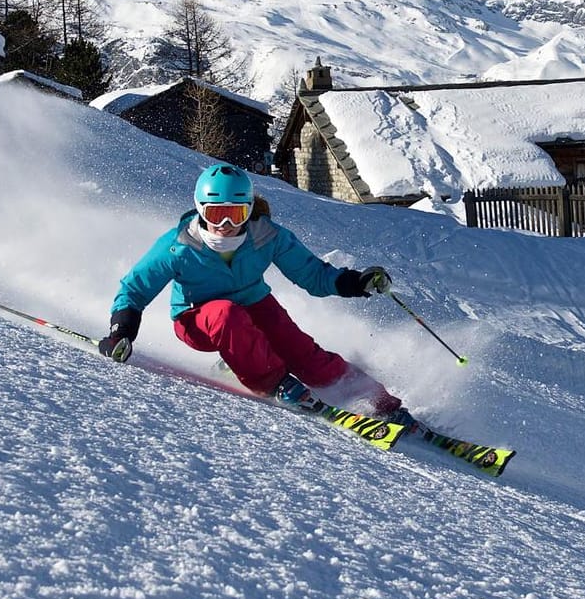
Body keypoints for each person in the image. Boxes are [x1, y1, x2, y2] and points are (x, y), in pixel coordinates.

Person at [100, 163, 407, 415]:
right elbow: (136, 288)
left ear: (248, 211)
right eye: (215, 214)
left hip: (254, 304)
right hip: (196, 319)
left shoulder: (266, 236)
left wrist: (355, 282)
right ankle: (276, 382)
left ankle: (373, 396)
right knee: (227, 315)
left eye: (235, 214)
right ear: (200, 210)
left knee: (301, 351)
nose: (224, 225)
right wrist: (121, 331)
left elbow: (312, 275)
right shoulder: (178, 245)